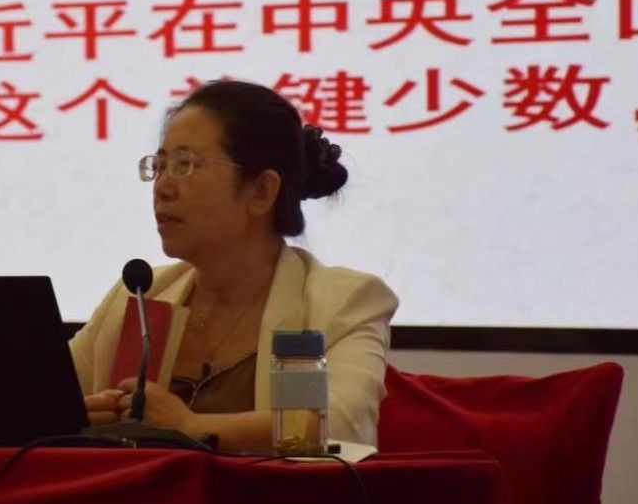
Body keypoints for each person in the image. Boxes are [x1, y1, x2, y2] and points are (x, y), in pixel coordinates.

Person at [68, 80, 398, 451]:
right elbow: (39, 396)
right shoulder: (143, 295)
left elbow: (337, 425)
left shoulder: (339, 303)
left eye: (185, 165)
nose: (162, 187)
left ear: (261, 191)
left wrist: (190, 426)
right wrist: (71, 416)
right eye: (160, 166)